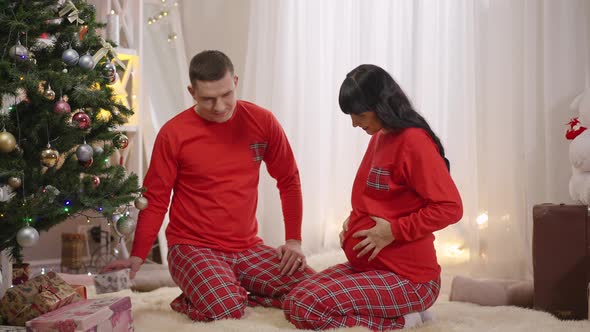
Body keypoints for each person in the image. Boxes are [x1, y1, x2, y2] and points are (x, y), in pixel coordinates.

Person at [102, 50, 315, 321]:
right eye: (208, 99)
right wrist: (138, 255)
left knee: (313, 290)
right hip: (192, 247)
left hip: (247, 247)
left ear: (235, 82)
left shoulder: (263, 122)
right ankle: (207, 295)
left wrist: (294, 241)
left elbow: (288, 180)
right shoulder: (173, 134)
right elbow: (155, 198)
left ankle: (230, 288)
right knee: (227, 309)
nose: (219, 106)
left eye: (226, 95)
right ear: (192, 91)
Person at [283, 64, 463, 331]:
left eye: (360, 115)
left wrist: (394, 231)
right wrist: (354, 221)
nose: (355, 123)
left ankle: (403, 320)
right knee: (294, 299)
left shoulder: (414, 142)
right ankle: (401, 315)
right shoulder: (380, 137)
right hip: (371, 268)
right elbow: (378, 199)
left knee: (306, 307)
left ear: (382, 106)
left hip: (408, 278)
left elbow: (450, 207)